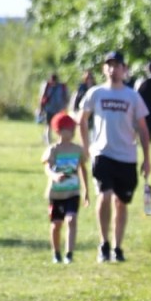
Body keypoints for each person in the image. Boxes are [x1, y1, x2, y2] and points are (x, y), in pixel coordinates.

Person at [77, 51, 151, 263]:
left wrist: (147, 159)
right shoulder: (95, 93)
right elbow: (81, 119)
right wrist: (86, 146)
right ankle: (104, 243)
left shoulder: (132, 96)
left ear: (124, 69)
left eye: (117, 65)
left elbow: (143, 129)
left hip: (127, 156)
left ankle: (117, 247)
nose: (113, 69)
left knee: (121, 202)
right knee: (105, 195)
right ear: (104, 69)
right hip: (102, 153)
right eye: (109, 65)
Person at [42, 113, 90, 264]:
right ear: (59, 131)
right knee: (56, 224)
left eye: (72, 129)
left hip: (72, 192)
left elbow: (82, 168)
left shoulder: (78, 150)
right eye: (68, 129)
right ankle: (56, 253)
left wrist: (86, 191)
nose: (72, 132)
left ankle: (69, 254)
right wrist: (54, 176)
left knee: (71, 219)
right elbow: (47, 168)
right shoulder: (53, 150)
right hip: (56, 193)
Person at [37, 73, 69, 144]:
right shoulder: (47, 86)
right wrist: (41, 108)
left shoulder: (61, 87)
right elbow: (42, 98)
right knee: (48, 125)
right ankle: (48, 141)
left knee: (60, 126)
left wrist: (65, 107)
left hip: (59, 109)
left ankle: (59, 141)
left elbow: (66, 98)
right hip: (49, 109)